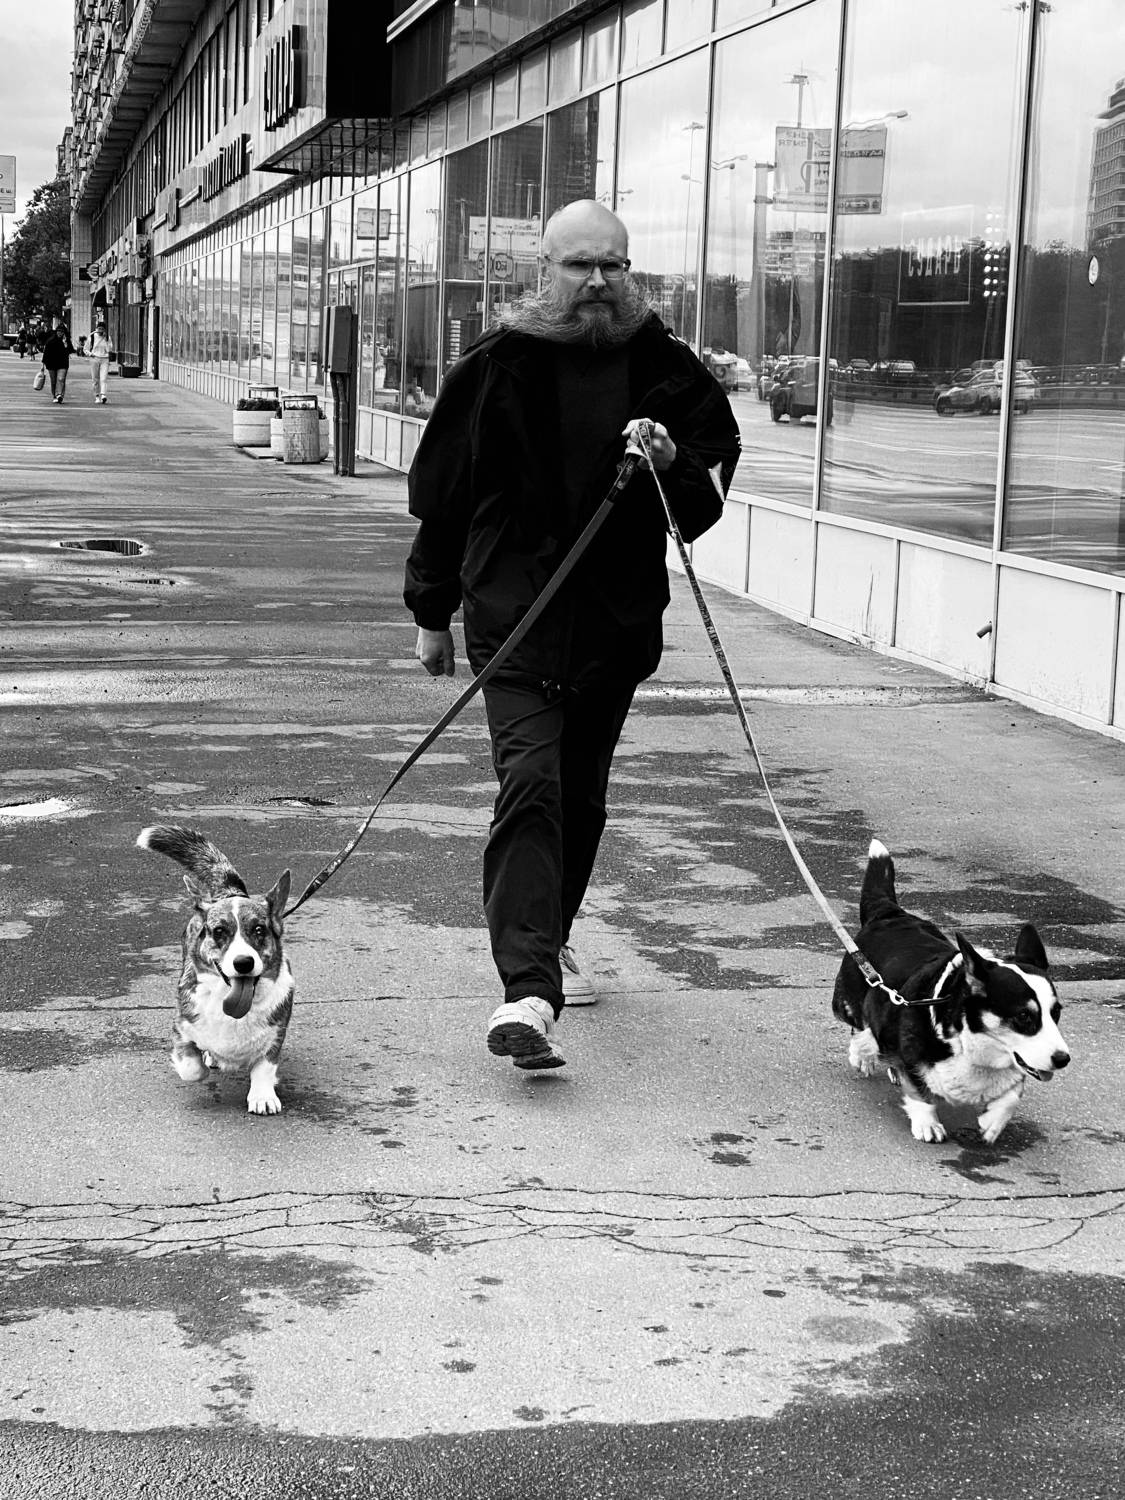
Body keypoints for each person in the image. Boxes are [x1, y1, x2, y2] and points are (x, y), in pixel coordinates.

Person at [404, 199, 741, 1072]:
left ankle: (546, 941)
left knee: (581, 801)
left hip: (612, 628)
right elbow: (443, 502)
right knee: (532, 786)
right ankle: (527, 991)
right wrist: (430, 613)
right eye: (579, 265)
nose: (597, 282)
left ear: (629, 271)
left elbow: (707, 486)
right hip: (513, 620)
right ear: (543, 270)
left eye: (612, 266)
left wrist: (671, 462)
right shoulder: (495, 364)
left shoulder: (666, 368)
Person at [41, 320, 74, 404]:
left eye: (62, 331)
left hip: (63, 363)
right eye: (58, 331)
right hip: (51, 364)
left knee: (61, 379)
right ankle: (55, 395)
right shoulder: (50, 341)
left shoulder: (66, 341)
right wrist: (43, 364)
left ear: (64, 333)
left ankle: (59, 395)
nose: (60, 333)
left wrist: (65, 344)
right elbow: (46, 353)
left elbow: (71, 350)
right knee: (53, 381)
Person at [89, 320, 112, 403]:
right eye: (99, 328)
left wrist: (106, 340)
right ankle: (96, 396)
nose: (100, 330)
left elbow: (109, 349)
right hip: (94, 358)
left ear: (104, 330)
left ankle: (103, 395)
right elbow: (85, 348)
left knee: (103, 378)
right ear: (96, 328)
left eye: (102, 329)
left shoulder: (107, 337)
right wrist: (90, 354)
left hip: (104, 359)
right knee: (95, 379)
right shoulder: (92, 336)